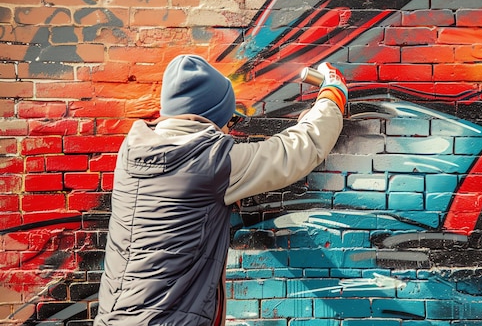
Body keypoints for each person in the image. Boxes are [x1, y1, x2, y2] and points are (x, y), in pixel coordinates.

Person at [93, 54, 347, 326]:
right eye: (230, 120)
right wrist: (332, 96)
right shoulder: (211, 162)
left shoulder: (131, 150)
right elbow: (297, 150)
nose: (230, 129)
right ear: (213, 117)